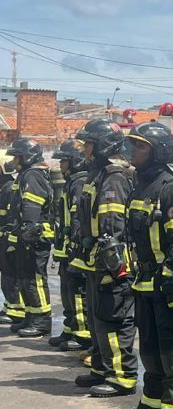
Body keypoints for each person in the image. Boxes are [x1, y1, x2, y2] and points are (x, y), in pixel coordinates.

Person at [116, 122, 173, 409]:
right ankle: (151, 403)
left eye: (141, 146)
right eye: (133, 145)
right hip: (146, 285)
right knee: (150, 350)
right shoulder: (140, 184)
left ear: (159, 151)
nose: (134, 152)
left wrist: (171, 284)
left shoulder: (172, 187)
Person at [71, 118, 138, 397]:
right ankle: (101, 367)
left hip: (112, 264)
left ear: (101, 146)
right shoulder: (96, 174)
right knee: (98, 317)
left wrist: (113, 262)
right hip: (95, 262)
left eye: (88, 144)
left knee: (114, 318)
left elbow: (113, 225)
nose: (84, 149)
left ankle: (122, 376)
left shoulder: (114, 178)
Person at [6, 138, 55, 338]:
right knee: (26, 279)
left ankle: (42, 320)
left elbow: (31, 206)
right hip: (25, 236)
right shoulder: (26, 174)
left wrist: (28, 230)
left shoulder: (33, 175)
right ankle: (30, 316)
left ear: (26, 157)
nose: (14, 161)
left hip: (35, 238)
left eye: (17, 156)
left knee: (35, 279)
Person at [49, 139, 91, 351]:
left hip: (74, 250)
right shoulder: (72, 181)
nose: (60, 165)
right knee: (66, 291)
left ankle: (82, 334)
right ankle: (70, 326)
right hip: (66, 249)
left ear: (74, 161)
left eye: (64, 161)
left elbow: (77, 219)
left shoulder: (80, 182)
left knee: (77, 291)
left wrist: (75, 246)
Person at [0, 154, 21, 326]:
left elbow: (6, 216)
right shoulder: (4, 187)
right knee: (6, 274)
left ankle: (16, 308)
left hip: (7, 237)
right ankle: (9, 305)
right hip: (4, 237)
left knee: (10, 274)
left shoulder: (7, 188)